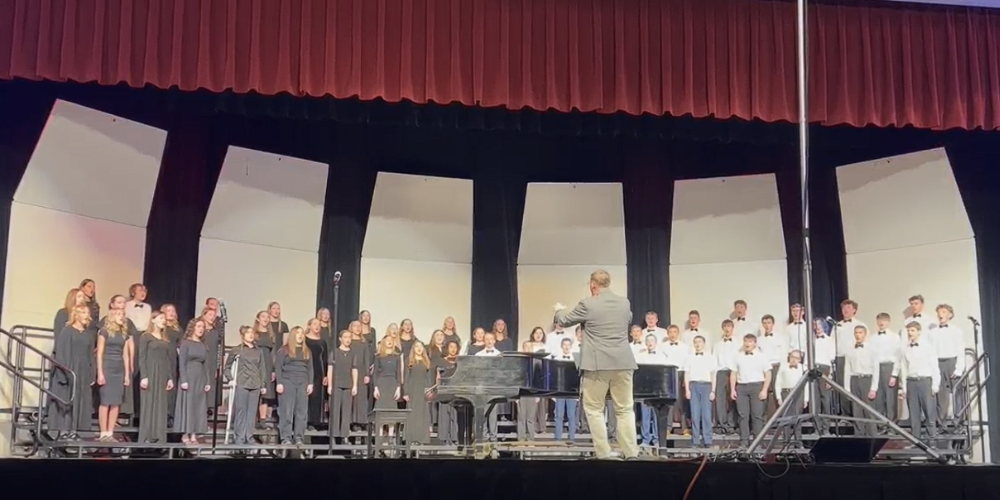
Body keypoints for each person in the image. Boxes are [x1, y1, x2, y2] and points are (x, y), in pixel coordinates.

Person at [552, 269, 637, 460]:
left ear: (593, 285)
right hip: (623, 362)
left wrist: (559, 309)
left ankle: (604, 453)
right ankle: (631, 453)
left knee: (594, 409)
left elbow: (564, 320)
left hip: (598, 364)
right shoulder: (625, 303)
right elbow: (628, 319)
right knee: (624, 409)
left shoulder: (588, 303)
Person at [893, 321, 939, 440]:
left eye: (912, 330)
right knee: (914, 412)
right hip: (911, 381)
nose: (910, 333)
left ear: (919, 331)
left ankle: (932, 437)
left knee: (929, 410)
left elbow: (934, 366)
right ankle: (915, 438)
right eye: (908, 331)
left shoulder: (928, 347)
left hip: (925, 381)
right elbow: (903, 368)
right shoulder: (905, 349)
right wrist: (904, 387)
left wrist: (935, 385)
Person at [224, 326, 267, 446]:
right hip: (242, 383)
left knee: (252, 412)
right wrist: (230, 379)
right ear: (243, 335)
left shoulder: (258, 351)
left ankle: (249, 436)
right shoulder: (237, 350)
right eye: (248, 333)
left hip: (255, 384)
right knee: (241, 411)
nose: (250, 335)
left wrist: (263, 384)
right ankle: (239, 437)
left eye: (252, 332)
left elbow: (262, 368)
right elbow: (227, 367)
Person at [137, 312, 175, 444]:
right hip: (150, 372)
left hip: (163, 373)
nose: (163, 320)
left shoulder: (165, 338)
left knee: (161, 405)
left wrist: (170, 378)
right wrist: (144, 376)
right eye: (161, 318)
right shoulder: (146, 337)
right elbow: (141, 357)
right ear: (153, 320)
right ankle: (146, 437)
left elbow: (167, 360)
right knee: (149, 404)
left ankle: (159, 437)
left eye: (164, 318)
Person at [729, 333, 770, 448]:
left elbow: (768, 373)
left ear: (755, 343)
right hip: (741, 387)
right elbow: (733, 373)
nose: (748, 344)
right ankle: (744, 441)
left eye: (750, 342)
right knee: (743, 416)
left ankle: (757, 442)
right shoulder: (738, 356)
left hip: (757, 386)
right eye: (746, 341)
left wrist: (765, 390)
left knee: (757, 416)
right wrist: (732, 389)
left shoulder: (762, 356)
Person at [275, 326, 314, 445]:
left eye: (302, 333)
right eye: (298, 333)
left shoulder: (307, 351)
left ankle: (299, 438)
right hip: (288, 381)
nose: (300, 335)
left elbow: (310, 368)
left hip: (303, 381)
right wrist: (279, 383)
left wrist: (310, 383)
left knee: (301, 411)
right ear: (293, 335)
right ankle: (286, 437)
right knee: (287, 410)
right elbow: (278, 367)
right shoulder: (284, 350)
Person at [684, 335, 717, 448]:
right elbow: (686, 374)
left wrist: (713, 390)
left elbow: (713, 374)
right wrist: (687, 389)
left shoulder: (710, 357)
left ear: (704, 343)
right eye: (696, 342)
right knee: (695, 414)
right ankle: (695, 440)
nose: (698, 344)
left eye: (700, 342)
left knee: (707, 415)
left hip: (706, 386)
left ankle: (708, 440)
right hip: (694, 385)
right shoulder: (689, 357)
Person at [327, 330, 359, 441]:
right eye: (345, 337)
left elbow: (354, 369)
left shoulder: (353, 353)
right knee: (335, 410)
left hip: (348, 384)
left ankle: (344, 435)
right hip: (336, 384)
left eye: (349, 337)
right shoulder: (335, 353)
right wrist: (330, 386)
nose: (348, 339)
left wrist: (355, 385)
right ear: (340, 339)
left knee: (346, 410)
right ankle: (334, 435)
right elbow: (330, 369)